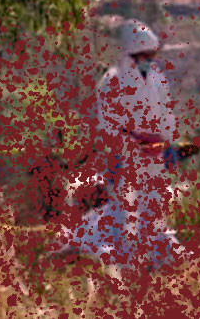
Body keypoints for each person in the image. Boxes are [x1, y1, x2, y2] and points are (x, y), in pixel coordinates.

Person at [54, 19, 184, 270]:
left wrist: (168, 143)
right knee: (125, 210)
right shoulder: (112, 82)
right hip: (125, 158)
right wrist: (132, 143)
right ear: (128, 53)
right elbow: (108, 125)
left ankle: (151, 259)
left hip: (154, 158)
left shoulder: (158, 79)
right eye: (141, 55)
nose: (147, 59)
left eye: (151, 54)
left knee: (154, 207)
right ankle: (117, 259)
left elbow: (167, 114)